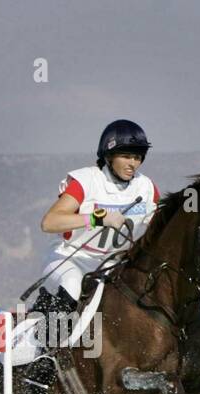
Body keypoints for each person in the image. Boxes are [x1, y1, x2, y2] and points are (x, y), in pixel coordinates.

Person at [35, 119, 159, 313]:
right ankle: (43, 337)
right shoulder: (86, 181)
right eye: (126, 156)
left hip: (114, 265)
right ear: (109, 156)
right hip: (70, 259)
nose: (132, 164)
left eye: (137, 157)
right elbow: (49, 222)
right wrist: (96, 218)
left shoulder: (146, 187)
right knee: (72, 284)